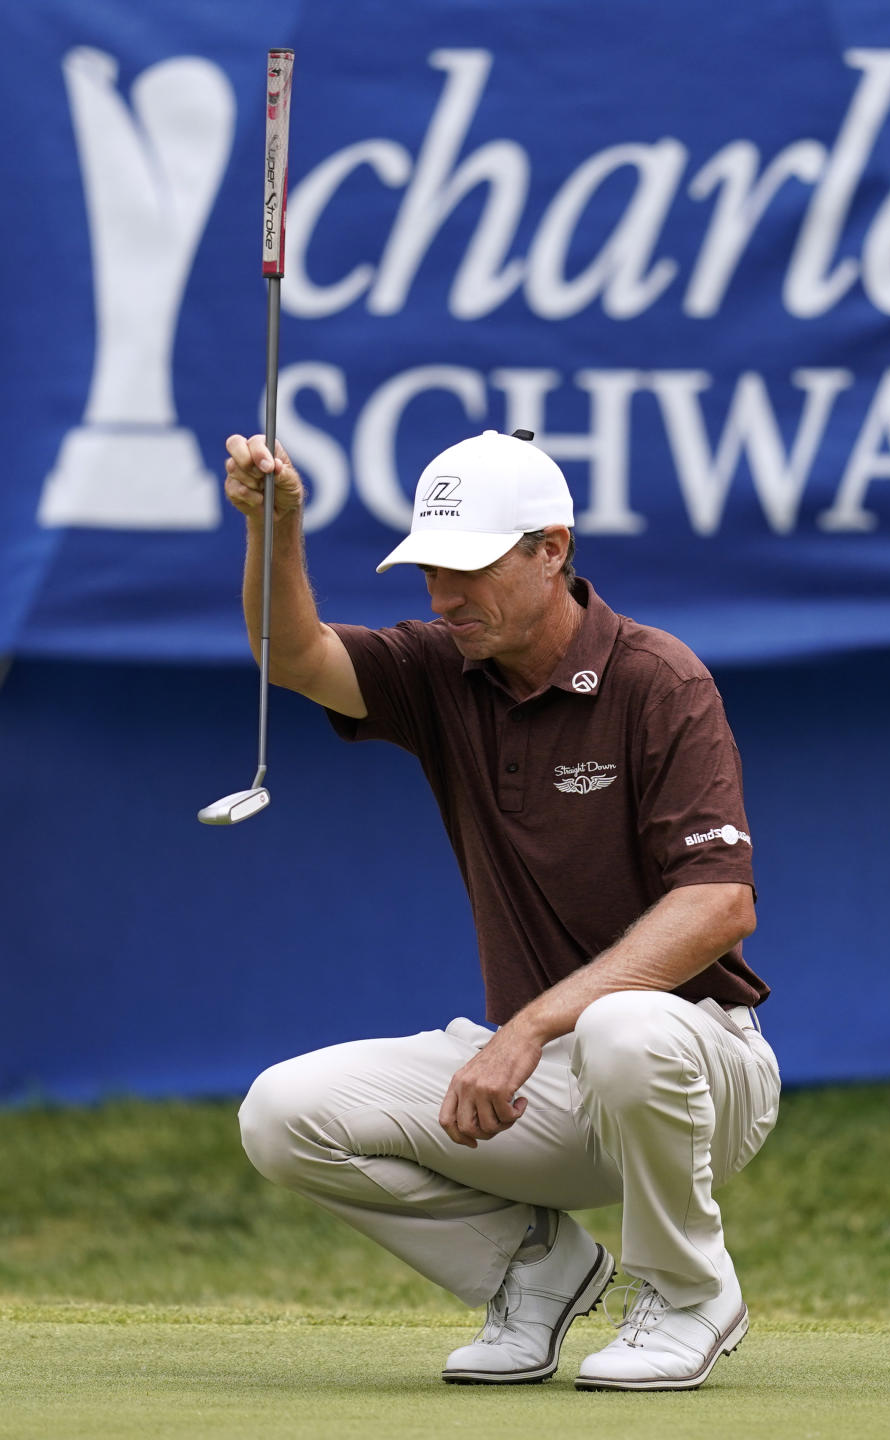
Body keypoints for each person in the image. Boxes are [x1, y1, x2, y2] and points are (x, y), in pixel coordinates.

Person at [229, 426, 781, 1391]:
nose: (444, 598)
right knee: (282, 1113)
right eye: (432, 571)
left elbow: (719, 906)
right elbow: (296, 657)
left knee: (622, 1028)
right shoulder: (443, 666)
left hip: (699, 1070)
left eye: (471, 569)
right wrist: (276, 530)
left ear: (551, 549)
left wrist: (526, 1027)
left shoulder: (660, 680)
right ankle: (538, 1271)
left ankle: (691, 1293)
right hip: (545, 1089)